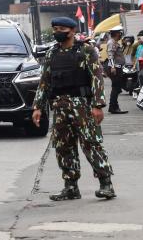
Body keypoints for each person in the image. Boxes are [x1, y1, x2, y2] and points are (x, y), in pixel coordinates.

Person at [32, 17, 115, 201]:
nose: (57, 32)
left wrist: (97, 105)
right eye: (55, 29)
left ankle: (106, 183)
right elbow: (44, 82)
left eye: (61, 29)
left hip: (82, 105)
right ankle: (70, 186)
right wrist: (38, 106)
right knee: (63, 147)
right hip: (60, 106)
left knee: (91, 144)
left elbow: (97, 78)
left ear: (72, 30)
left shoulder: (86, 50)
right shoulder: (52, 53)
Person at [106, 25, 128, 114]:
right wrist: (112, 67)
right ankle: (113, 107)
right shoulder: (111, 42)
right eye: (120, 33)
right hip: (115, 68)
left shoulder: (115, 42)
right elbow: (110, 55)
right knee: (115, 88)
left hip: (118, 68)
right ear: (116, 33)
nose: (121, 35)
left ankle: (114, 106)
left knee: (117, 88)